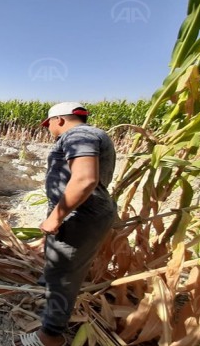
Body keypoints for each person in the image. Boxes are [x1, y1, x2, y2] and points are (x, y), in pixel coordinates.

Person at [16, 102, 117, 346]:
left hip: (77, 218)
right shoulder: (91, 135)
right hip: (79, 215)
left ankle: (50, 336)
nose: (49, 129)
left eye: (48, 124)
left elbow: (84, 179)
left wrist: (55, 218)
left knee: (64, 278)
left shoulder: (79, 134)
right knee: (59, 270)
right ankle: (49, 294)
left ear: (59, 120)